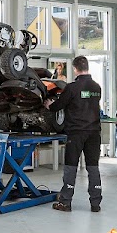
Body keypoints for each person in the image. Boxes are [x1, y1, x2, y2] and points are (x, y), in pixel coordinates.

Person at [45, 55, 104, 212]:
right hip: (94, 132)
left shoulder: (72, 88)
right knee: (93, 167)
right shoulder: (97, 87)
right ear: (87, 67)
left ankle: (65, 202)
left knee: (71, 167)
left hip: (76, 132)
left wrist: (49, 105)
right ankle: (95, 203)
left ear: (75, 69)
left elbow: (59, 105)